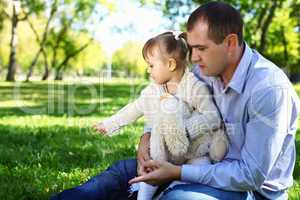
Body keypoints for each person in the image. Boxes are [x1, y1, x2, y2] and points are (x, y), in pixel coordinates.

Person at [51, 2, 299, 200]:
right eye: (191, 48)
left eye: (201, 48)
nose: (193, 57)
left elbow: (250, 175)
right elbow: (163, 103)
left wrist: (178, 173)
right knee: (115, 175)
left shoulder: (269, 89)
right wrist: (146, 137)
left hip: (248, 190)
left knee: (178, 197)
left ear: (231, 43)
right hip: (184, 161)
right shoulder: (202, 72)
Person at [93, 31, 228, 200]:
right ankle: (142, 194)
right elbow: (135, 108)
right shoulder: (153, 90)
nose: (148, 70)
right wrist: (110, 124)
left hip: (193, 151)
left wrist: (183, 131)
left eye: (151, 65)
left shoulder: (194, 87)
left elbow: (212, 117)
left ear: (170, 64)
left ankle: (171, 189)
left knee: (201, 168)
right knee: (151, 167)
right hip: (164, 152)